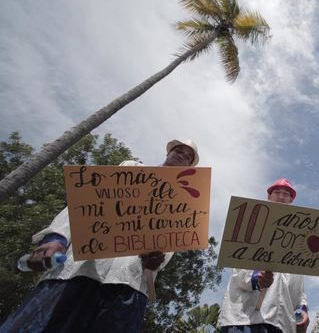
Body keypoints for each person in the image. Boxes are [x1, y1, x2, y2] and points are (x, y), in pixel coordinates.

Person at [0, 139, 199, 333]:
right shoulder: (132, 168)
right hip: (79, 269)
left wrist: (158, 261)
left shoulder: (184, 198)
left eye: (188, 157)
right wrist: (56, 238)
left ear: (189, 167)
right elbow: (88, 202)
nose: (182, 156)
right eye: (179, 151)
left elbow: (172, 241)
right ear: (168, 152)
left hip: (128, 283)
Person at [219, 178, 309, 333]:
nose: (281, 196)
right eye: (277, 192)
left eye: (286, 194)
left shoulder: (300, 241)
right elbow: (239, 270)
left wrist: (303, 309)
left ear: (291, 200)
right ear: (269, 196)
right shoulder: (252, 224)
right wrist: (256, 279)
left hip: (282, 324)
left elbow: (299, 288)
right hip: (245, 320)